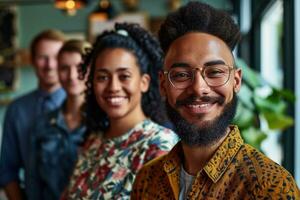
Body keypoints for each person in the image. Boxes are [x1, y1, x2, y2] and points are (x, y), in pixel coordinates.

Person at [131, 2, 300, 199]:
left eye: (215, 72)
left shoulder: (269, 186)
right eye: (181, 75)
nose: (198, 88)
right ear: (162, 85)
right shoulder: (147, 178)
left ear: (236, 81)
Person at [61, 22, 177, 199]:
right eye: (103, 77)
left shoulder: (160, 145)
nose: (113, 87)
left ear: (144, 82)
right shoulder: (93, 141)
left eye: (124, 76)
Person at [0, 30, 66, 200]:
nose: (50, 65)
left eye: (56, 57)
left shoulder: (83, 106)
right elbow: (7, 170)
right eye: (43, 57)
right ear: (32, 60)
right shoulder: (17, 110)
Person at [26, 39, 91, 200]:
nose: (72, 76)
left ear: (90, 70)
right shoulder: (42, 124)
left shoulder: (105, 123)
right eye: (64, 68)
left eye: (79, 68)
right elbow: (33, 182)